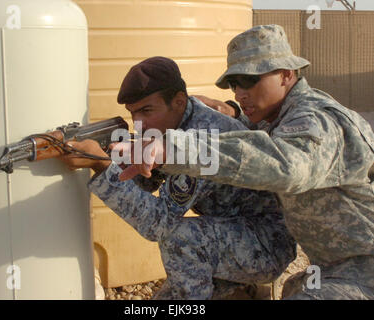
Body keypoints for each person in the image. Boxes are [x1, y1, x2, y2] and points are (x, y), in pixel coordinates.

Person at [118, 25, 374, 300]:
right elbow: (254, 135)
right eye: (234, 84)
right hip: (330, 269)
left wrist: (173, 149)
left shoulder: (317, 120)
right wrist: (233, 112)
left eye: (249, 80)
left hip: (363, 271)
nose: (240, 92)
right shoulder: (278, 117)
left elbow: (286, 165)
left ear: (287, 74)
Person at [61, 56, 297, 299]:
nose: (139, 124)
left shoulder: (201, 138)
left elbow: (158, 224)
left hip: (265, 244)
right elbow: (145, 180)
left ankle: (245, 286)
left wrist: (101, 165)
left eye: (146, 111)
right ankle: (243, 291)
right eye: (133, 114)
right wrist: (116, 157)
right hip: (226, 236)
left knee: (181, 239)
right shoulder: (172, 125)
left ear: (178, 102)